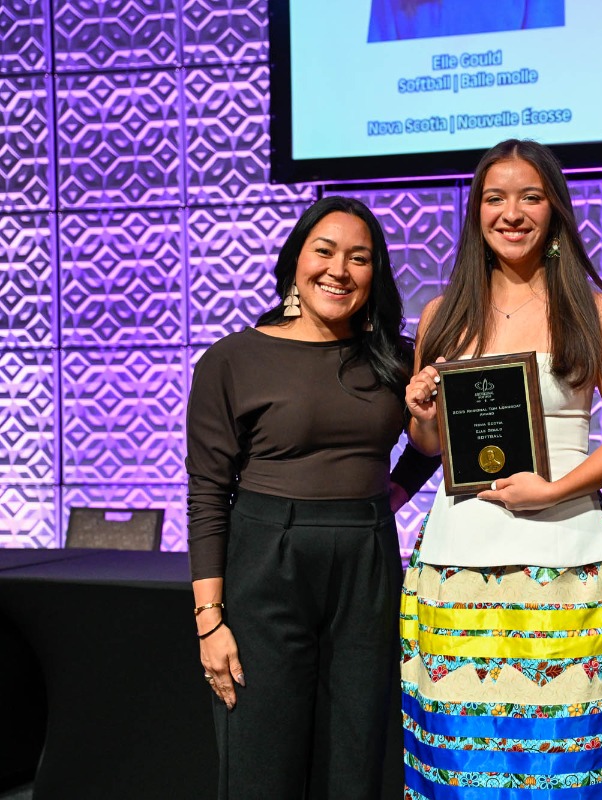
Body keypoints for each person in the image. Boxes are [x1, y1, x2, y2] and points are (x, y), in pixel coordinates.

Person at [403, 139, 602, 798]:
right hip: (457, 566)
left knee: (566, 762)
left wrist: (554, 490)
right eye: (495, 198)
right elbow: (430, 445)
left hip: (567, 560)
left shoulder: (595, 311)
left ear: (555, 210)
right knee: (464, 764)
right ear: (475, 212)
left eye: (530, 197)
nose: (511, 213)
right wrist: (421, 411)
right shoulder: (440, 316)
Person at [186, 196, 439, 799]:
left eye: (359, 258)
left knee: (355, 757)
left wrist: (387, 498)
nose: (339, 270)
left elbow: (429, 447)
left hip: (367, 563)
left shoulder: (396, 358)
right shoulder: (232, 359)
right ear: (295, 261)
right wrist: (209, 621)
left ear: (375, 273)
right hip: (266, 561)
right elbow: (208, 495)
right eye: (324, 251)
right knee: (261, 762)